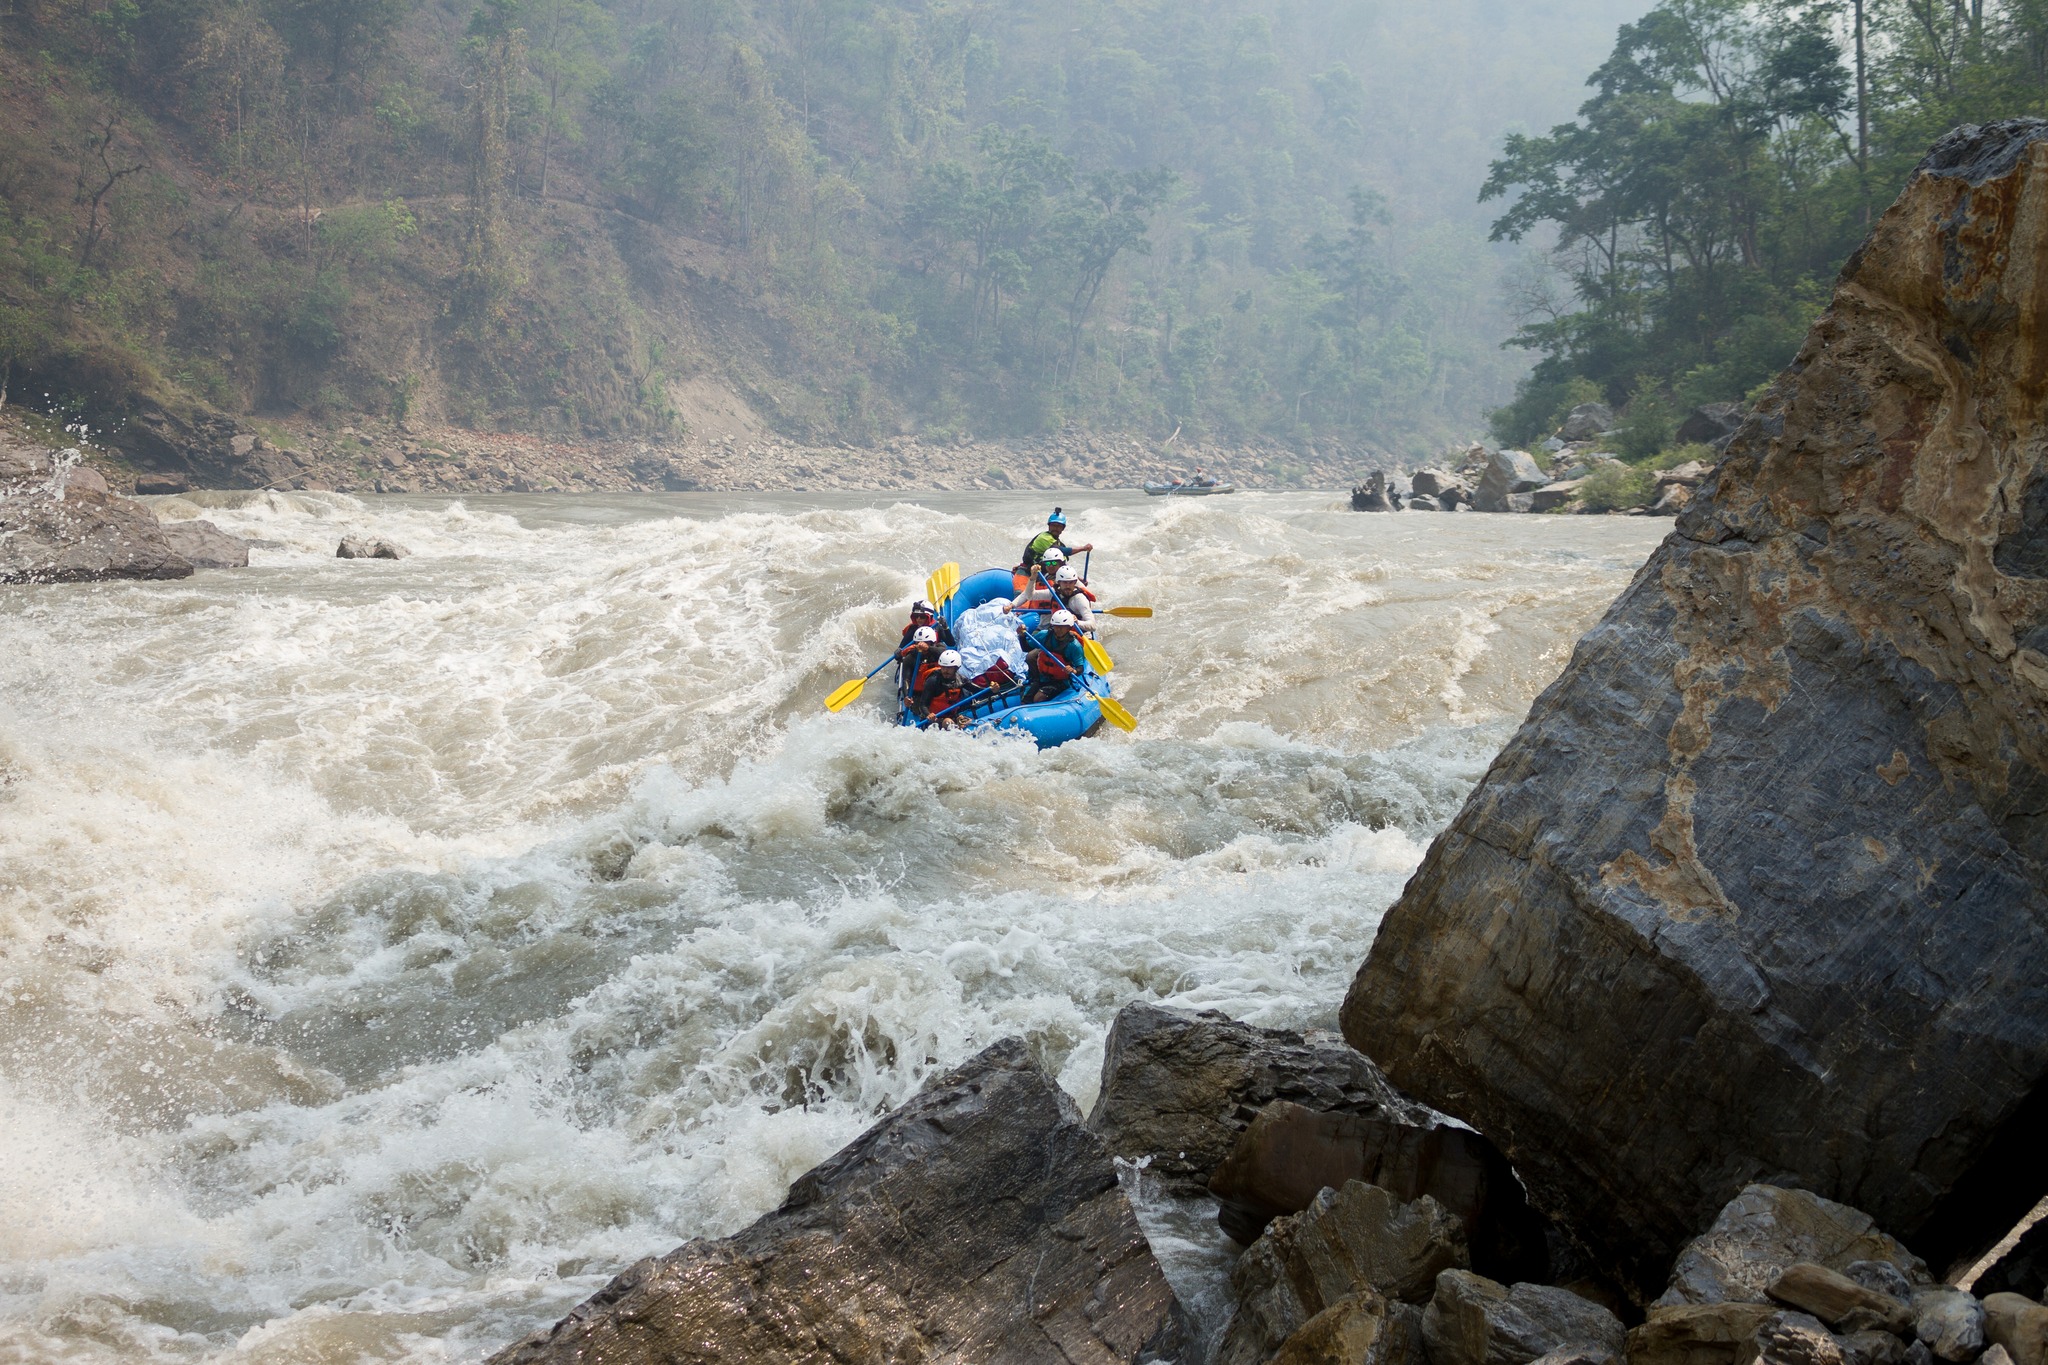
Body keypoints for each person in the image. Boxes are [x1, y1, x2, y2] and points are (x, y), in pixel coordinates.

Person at [1019, 611, 1087, 704]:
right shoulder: (1044, 635)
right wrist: (1022, 636)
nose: (1058, 629)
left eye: (1062, 627)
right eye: (1056, 626)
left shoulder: (1074, 645)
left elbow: (1080, 668)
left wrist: (1074, 671)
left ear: (1069, 627)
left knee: (1038, 698)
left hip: (1060, 681)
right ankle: (1034, 680)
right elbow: (1026, 648)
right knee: (1025, 700)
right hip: (1043, 678)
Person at [1020, 508, 1092, 576]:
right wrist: (1083, 548)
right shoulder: (1044, 538)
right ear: (1049, 526)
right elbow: (1064, 551)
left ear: (1063, 528)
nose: (1055, 528)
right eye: (1053, 525)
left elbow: (1062, 562)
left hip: (1045, 571)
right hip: (1031, 570)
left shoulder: (1059, 543)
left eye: (1058, 526)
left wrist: (1076, 578)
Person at [913, 648, 969, 724]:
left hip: (951, 716)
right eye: (943, 667)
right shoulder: (933, 681)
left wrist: (991, 689)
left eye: (949, 668)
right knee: (948, 722)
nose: (945, 670)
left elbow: (978, 690)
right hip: (933, 719)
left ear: (956, 668)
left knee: (967, 721)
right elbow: (923, 705)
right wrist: (928, 714)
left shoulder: (961, 680)